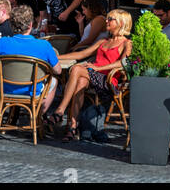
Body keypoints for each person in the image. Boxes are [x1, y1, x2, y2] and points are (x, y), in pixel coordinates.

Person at [49, 9, 133, 138]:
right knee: (80, 83)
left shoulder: (127, 43)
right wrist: (56, 58)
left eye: (111, 19)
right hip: (93, 75)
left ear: (121, 23)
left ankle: (60, 111)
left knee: (77, 68)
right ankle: (72, 127)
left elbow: (123, 63)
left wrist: (99, 68)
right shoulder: (104, 41)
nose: (106, 21)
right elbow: (82, 54)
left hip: (108, 80)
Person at [0, 4, 62, 113]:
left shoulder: (1, 43)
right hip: (33, 90)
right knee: (54, 81)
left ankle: (0, 117)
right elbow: (58, 70)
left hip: (6, 89)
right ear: (30, 25)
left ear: (11, 25)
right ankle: (37, 117)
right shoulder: (44, 45)